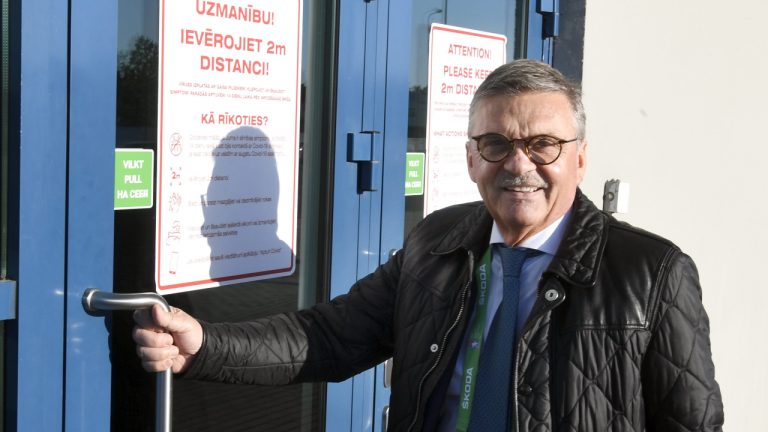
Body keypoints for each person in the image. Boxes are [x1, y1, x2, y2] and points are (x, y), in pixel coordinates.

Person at [134, 59, 724, 431]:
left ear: (581, 157)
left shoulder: (653, 273)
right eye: (496, 144)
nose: (519, 165)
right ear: (471, 158)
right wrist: (205, 345)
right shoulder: (437, 242)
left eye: (543, 144)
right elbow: (331, 336)